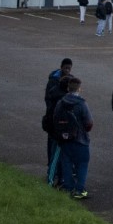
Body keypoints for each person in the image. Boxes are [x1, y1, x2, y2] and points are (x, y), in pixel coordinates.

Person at [53, 76, 94, 200]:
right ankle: (79, 190)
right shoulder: (81, 104)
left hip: (65, 139)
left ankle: (68, 186)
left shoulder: (61, 102)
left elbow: (55, 119)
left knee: (66, 162)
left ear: (68, 88)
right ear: (79, 89)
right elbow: (89, 122)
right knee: (82, 163)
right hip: (80, 139)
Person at [44, 58, 74, 186]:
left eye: (69, 68)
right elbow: (48, 99)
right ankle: (52, 175)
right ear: (61, 67)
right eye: (66, 68)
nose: (67, 70)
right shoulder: (53, 81)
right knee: (54, 150)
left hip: (61, 126)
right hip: (55, 126)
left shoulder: (71, 80)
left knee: (63, 152)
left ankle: (61, 175)